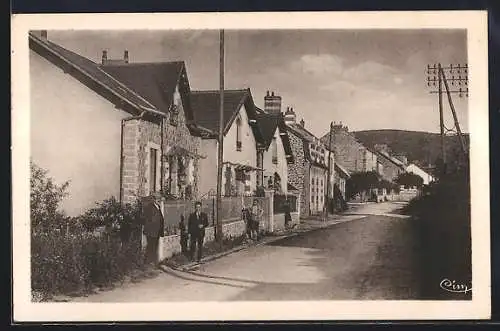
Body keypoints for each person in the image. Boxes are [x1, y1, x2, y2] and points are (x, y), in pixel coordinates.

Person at [141, 193, 165, 267]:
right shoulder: (149, 207)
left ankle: (152, 262)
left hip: (157, 231)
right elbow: (147, 219)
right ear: (154, 199)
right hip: (151, 231)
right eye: (157, 199)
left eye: (159, 199)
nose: (159, 200)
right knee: (150, 246)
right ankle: (147, 262)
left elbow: (160, 219)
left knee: (154, 246)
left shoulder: (158, 207)